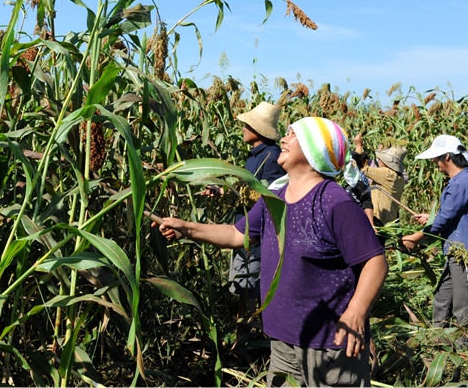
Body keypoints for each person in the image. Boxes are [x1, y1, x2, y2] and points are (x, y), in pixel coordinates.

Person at [155, 117, 387, 387]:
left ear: (315, 150)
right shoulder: (274, 199)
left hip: (329, 344)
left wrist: (356, 311)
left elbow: (375, 261)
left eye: (292, 134)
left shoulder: (335, 201)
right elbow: (235, 234)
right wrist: (186, 227)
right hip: (282, 341)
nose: (283, 139)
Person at [401, 135, 468, 344]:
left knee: (464, 313)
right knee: (442, 301)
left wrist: (415, 237)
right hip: (455, 254)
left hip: (466, 256)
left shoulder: (464, 182)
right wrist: (430, 218)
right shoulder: (460, 181)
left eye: (436, 159)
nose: (434, 164)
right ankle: (438, 347)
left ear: (447, 157)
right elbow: (451, 215)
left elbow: (444, 219)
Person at [229, 102, 285, 308]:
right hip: (244, 227)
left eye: (248, 126)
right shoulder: (255, 155)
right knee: (244, 282)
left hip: (257, 233)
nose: (243, 129)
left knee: (251, 282)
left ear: (259, 131)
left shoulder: (271, 156)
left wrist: (243, 193)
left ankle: (250, 331)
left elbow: (273, 194)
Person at [353, 134, 407, 226]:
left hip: (378, 219)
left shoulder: (387, 174)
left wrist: (358, 146)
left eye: (381, 158)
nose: (378, 159)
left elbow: (361, 168)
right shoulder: (399, 177)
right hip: (388, 221)